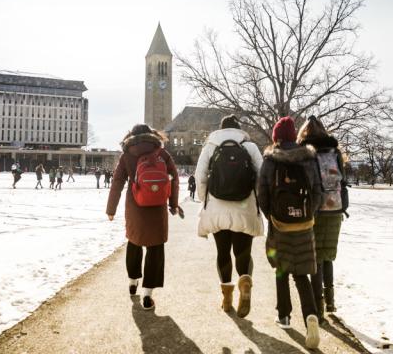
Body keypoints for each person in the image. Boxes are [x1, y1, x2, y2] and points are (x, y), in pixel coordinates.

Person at [258, 116, 322, 349]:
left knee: (281, 269)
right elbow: (317, 191)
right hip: (304, 224)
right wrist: (308, 215)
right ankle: (311, 316)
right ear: (294, 135)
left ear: (276, 137)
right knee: (301, 273)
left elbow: (262, 194)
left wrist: (272, 216)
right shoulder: (309, 159)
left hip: (279, 224)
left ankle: (284, 315)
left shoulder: (270, 160)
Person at [195, 114, 264, 318]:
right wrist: (256, 198)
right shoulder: (249, 147)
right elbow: (262, 173)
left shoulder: (210, 147)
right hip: (245, 206)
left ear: (220, 128)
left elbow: (199, 176)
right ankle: (244, 281)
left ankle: (226, 296)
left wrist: (204, 199)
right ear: (239, 128)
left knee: (222, 252)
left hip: (217, 208)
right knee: (243, 252)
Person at [106, 124, 180, 310]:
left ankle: (133, 281)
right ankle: (148, 294)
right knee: (155, 248)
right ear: (152, 135)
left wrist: (111, 209)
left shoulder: (127, 154)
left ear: (131, 135)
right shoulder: (162, 153)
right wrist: (173, 203)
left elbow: (117, 182)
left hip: (135, 205)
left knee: (134, 241)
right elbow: (174, 178)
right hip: (157, 206)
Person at [297, 115, 349, 321]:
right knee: (328, 255)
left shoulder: (305, 152)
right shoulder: (334, 151)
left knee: (315, 258)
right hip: (335, 208)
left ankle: (317, 308)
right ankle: (331, 302)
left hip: (315, 209)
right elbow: (342, 178)